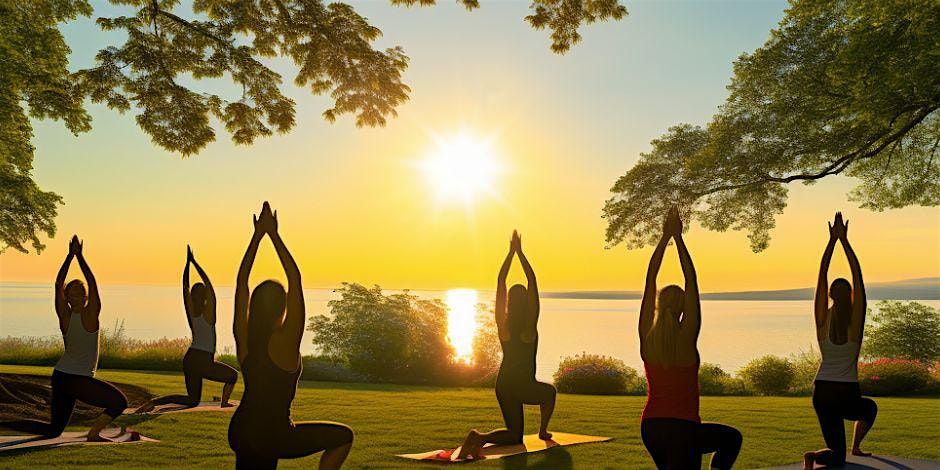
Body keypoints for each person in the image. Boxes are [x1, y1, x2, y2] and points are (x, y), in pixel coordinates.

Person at [227, 202, 353, 469]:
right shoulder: (285, 343)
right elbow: (294, 279)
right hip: (273, 434)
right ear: (281, 309)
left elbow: (241, 284)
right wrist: (273, 235)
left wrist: (257, 237)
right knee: (343, 436)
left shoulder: (244, 338)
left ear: (255, 307)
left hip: (241, 429)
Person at [638, 207, 742, 469]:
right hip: (683, 428)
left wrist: (665, 239)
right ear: (683, 307)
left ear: (659, 306)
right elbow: (691, 280)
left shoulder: (647, 338)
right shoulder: (687, 340)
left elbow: (650, 279)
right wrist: (679, 238)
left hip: (651, 428)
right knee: (732, 439)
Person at [0, 236, 128, 441]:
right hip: (74, 378)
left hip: (62, 377)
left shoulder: (88, 314)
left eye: (80, 293)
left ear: (86, 297)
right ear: (67, 298)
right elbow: (60, 283)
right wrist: (72, 256)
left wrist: (78, 257)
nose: (76, 297)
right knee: (120, 402)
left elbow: (92, 284)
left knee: (54, 430)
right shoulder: (68, 317)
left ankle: (3, 423)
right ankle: (94, 434)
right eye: (72, 294)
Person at [457, 230, 556, 460]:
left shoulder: (504, 327)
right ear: (527, 304)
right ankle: (542, 431)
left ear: (510, 303)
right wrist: (520, 253)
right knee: (550, 392)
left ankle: (478, 437)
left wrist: (510, 254)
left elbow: (501, 283)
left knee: (514, 435)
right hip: (523, 385)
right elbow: (532, 282)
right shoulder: (528, 329)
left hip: (503, 385)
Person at [803, 212, 876, 469]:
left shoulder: (823, 320)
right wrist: (845, 241)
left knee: (837, 456)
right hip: (847, 394)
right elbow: (859, 278)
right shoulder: (855, 324)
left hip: (822, 392)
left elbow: (821, 278)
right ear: (852, 296)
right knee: (869, 409)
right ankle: (854, 446)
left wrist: (832, 242)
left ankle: (815, 456)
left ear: (832, 295)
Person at [135, 246, 237, 413]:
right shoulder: (209, 315)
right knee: (233, 376)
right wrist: (195, 263)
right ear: (204, 297)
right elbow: (210, 288)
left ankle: (153, 402)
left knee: (192, 400)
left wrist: (187, 266)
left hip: (191, 359)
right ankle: (224, 402)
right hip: (203, 359)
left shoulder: (192, 314)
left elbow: (185, 288)